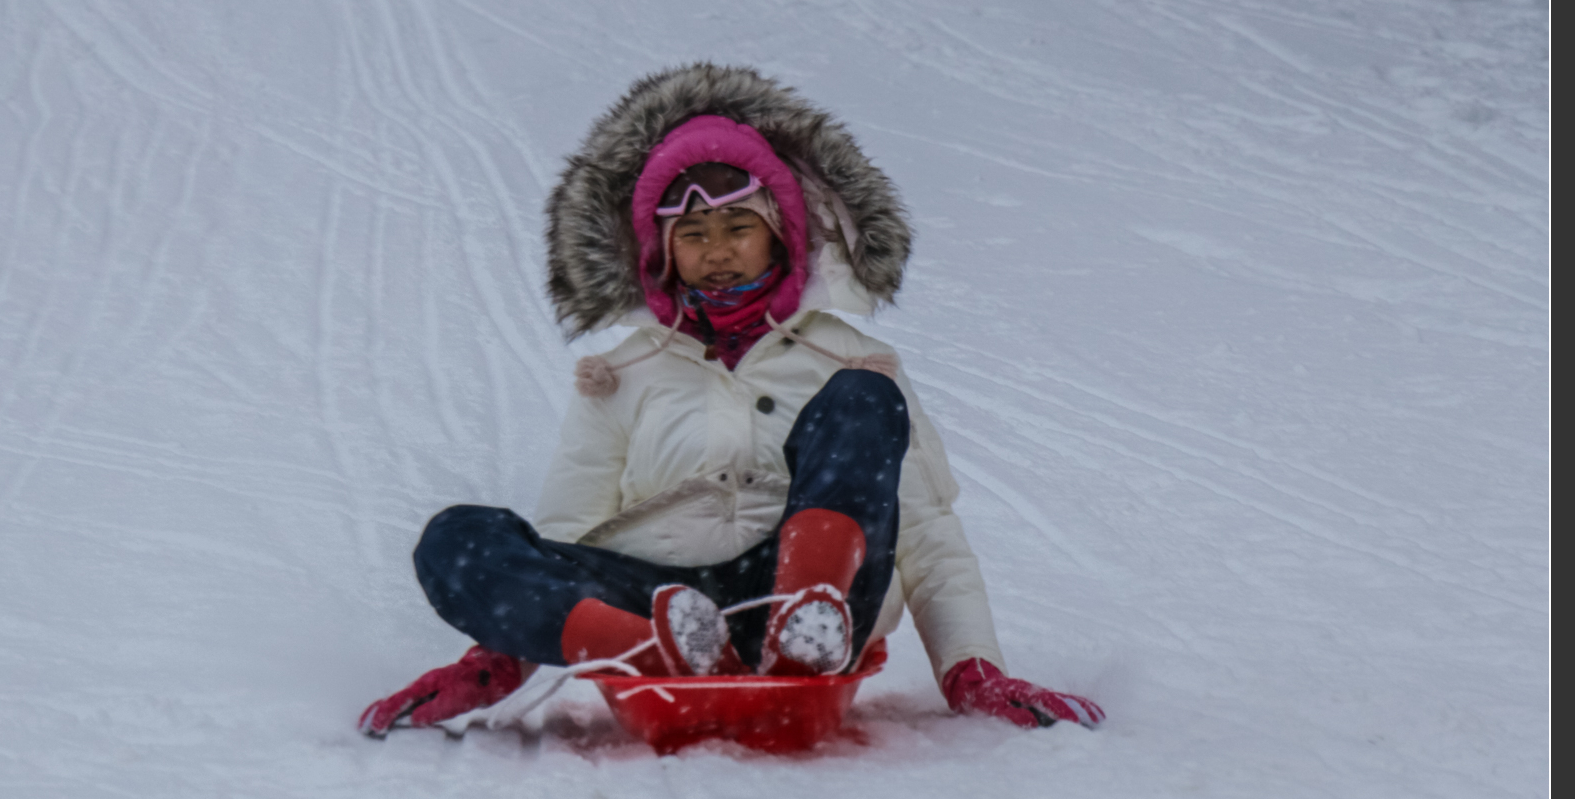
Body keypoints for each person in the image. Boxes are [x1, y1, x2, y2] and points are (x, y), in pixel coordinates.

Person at [359, 64, 1104, 737]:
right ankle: (650, 648)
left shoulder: (849, 360)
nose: (716, 250)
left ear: (780, 232)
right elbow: (565, 535)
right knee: (455, 537)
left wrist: (970, 669)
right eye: (692, 233)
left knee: (863, 399)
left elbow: (926, 531)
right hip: (657, 602)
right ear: (662, 249)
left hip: (824, 595)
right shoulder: (622, 374)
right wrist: (497, 653)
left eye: (738, 227)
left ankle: (803, 618)